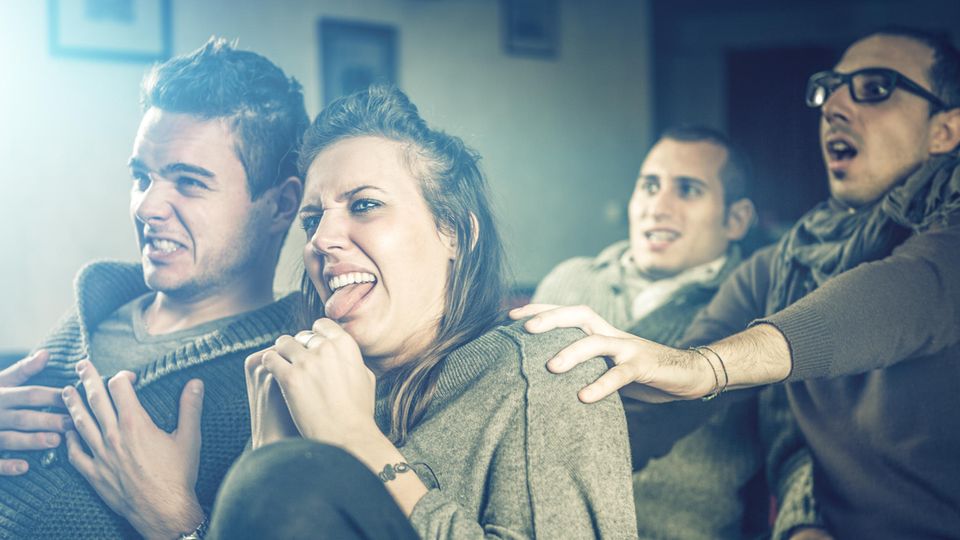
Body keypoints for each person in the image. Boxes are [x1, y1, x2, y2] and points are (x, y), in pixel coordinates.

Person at [513, 28, 960, 539]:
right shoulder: (778, 269)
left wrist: (705, 367)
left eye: (875, 88)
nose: (834, 105)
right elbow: (659, 405)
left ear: (944, 130)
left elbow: (905, 293)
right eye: (830, 89)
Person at [189, 84, 637, 539]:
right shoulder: (301, 387)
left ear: (455, 232)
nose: (320, 240)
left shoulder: (543, 369)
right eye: (311, 221)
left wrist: (353, 441)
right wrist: (268, 455)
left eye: (364, 205)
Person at [0, 38, 308, 539]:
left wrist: (177, 523)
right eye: (141, 177)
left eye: (188, 182)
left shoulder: (283, 383)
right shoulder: (92, 309)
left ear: (280, 205)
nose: (146, 207)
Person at [530, 126, 815, 539]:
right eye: (649, 186)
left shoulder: (758, 312)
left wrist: (803, 526)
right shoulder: (568, 283)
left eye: (687, 190)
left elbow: (793, 449)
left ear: (736, 220)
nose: (657, 208)